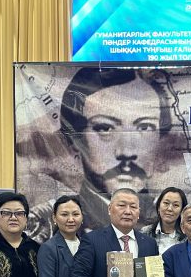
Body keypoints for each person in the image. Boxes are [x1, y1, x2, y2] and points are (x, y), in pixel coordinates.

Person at [59, 67, 174, 230]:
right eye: (105, 128)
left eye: (145, 127)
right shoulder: (56, 226)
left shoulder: (168, 222)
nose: (127, 152)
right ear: (74, 141)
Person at [142, 187, 188, 253]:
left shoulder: (188, 237)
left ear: (182, 210)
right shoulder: (145, 233)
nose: (169, 209)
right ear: (158, 207)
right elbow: (137, 258)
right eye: (166, 203)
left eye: (175, 205)